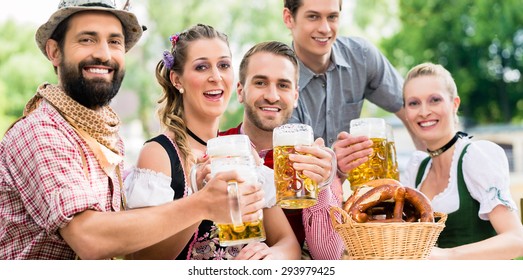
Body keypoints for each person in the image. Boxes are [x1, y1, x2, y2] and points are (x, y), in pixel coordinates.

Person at [0, 0, 264, 260]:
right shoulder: (41, 131)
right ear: (55, 52)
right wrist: (202, 202)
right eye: (87, 39)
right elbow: (90, 239)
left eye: (114, 42)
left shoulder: (102, 134)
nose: (104, 54)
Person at [123, 25, 300, 260]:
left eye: (224, 65)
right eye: (201, 67)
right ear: (177, 80)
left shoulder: (243, 151)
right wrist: (200, 202)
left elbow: (288, 243)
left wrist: (270, 258)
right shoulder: (160, 154)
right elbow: (144, 260)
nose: (216, 77)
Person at [219, 41, 345, 260]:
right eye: (260, 82)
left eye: (283, 85)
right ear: (240, 91)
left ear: (295, 96)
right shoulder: (217, 147)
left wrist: (322, 187)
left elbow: (329, 259)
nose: (272, 96)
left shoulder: (316, 159)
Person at [281, 0, 424, 179]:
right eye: (313, 17)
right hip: (298, 197)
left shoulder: (361, 57)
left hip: (346, 194)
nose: (325, 28)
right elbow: (292, 173)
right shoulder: (279, 80)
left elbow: (417, 114)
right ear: (289, 18)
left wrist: (428, 172)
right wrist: (334, 162)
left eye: (332, 17)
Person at [400, 62, 523, 259]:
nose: (424, 111)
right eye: (414, 103)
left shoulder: (475, 158)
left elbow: (517, 239)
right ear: (406, 112)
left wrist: (447, 256)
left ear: (454, 104)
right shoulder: (416, 170)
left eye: (434, 100)